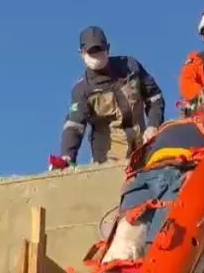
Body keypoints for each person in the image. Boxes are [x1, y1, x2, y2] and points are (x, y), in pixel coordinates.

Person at [65, 95, 204, 273]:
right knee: (123, 243)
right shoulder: (172, 126)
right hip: (149, 176)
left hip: (182, 173)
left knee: (161, 243)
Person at [55, 26, 166, 168]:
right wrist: (67, 156)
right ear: (81, 53)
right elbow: (74, 126)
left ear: (108, 48)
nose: (96, 56)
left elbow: (155, 98)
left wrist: (153, 125)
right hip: (109, 162)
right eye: (91, 52)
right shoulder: (82, 90)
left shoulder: (131, 66)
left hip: (144, 151)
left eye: (99, 50)